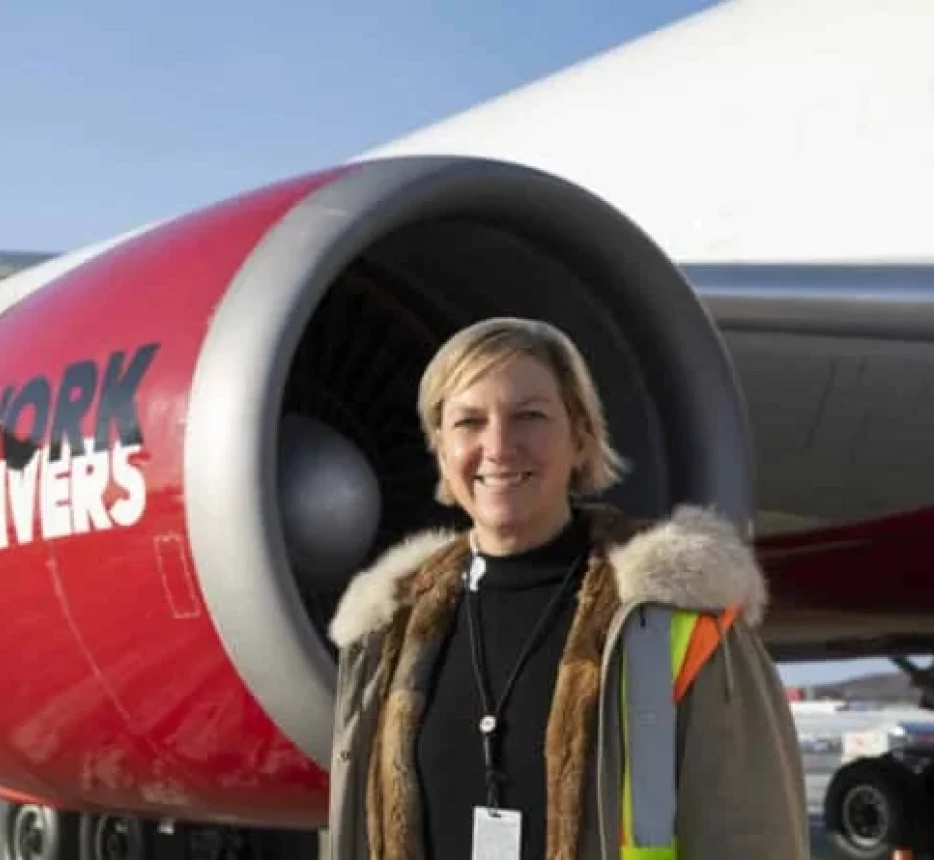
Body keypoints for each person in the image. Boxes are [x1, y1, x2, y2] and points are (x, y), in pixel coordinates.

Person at [325, 317, 809, 860]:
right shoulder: (388, 629)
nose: (499, 446)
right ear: (440, 448)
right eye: (468, 422)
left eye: (529, 416)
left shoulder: (673, 619)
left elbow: (751, 839)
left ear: (581, 438)